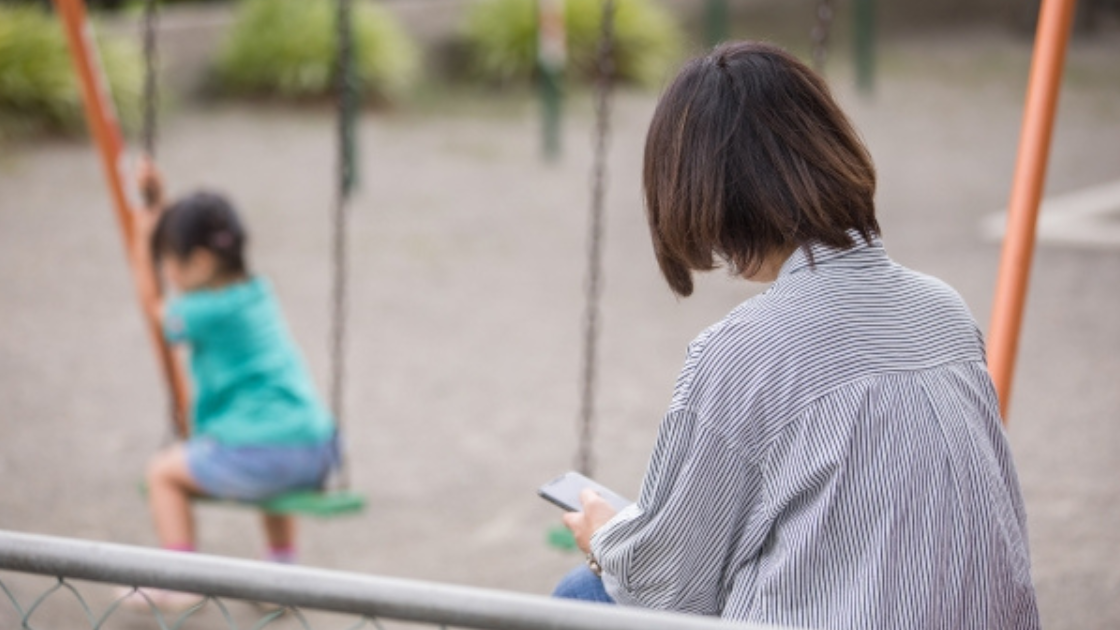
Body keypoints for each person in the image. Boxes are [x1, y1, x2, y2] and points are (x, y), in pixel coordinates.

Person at [554, 41, 1041, 629]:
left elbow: (669, 583)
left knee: (582, 594)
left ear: (702, 192)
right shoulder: (944, 310)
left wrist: (605, 537)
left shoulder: (744, 349)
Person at [122, 162, 338, 608]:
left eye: (170, 260)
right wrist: (160, 209)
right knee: (272, 476)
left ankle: (180, 579)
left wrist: (143, 247)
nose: (167, 271)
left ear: (201, 262)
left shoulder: (204, 312)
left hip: (265, 453)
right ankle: (281, 577)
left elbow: (155, 311)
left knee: (162, 473)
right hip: (316, 448)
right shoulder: (257, 292)